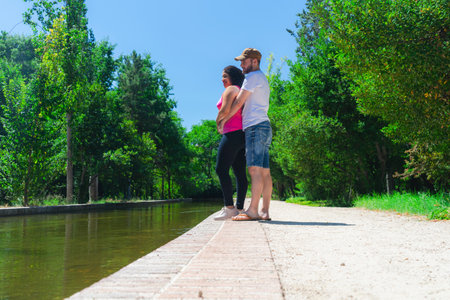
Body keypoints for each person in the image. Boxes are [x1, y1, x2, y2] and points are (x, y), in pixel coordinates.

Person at [217, 48, 272, 221]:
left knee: (254, 170)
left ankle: (253, 211)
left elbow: (239, 101)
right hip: (264, 125)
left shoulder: (252, 77)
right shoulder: (262, 78)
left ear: (254, 61)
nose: (241, 65)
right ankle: (264, 211)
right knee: (264, 172)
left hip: (255, 126)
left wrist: (224, 120)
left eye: (244, 61)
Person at [213, 65, 248, 220]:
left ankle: (229, 208)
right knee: (239, 173)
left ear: (232, 76)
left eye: (224, 76)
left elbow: (225, 109)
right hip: (242, 134)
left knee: (221, 169)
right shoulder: (240, 90)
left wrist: (218, 121)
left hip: (232, 133)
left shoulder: (231, 89)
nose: (222, 79)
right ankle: (239, 208)